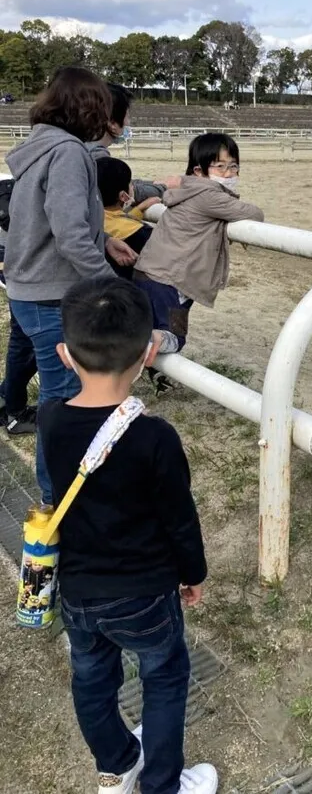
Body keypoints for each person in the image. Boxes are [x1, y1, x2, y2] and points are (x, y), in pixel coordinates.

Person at [39, 277, 217, 794]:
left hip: (77, 590)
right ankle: (161, 785)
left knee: (92, 679)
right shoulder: (155, 437)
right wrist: (193, 574)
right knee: (163, 677)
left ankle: (116, 765)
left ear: (64, 355)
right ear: (148, 353)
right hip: (143, 593)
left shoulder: (51, 419)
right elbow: (179, 517)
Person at [3, 66, 136, 505]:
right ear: (90, 109)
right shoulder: (68, 154)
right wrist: (111, 285)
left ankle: (57, 491)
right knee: (60, 401)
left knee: (56, 396)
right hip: (48, 293)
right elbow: (68, 233)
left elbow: (52, 223)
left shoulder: (38, 148)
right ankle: (55, 498)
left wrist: (106, 240)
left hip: (26, 286)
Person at [134, 133, 264, 354]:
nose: (229, 173)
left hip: (149, 273)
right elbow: (254, 213)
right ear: (199, 171)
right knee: (173, 338)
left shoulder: (186, 190)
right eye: (220, 167)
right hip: (172, 282)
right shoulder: (209, 195)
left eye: (233, 167)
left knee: (149, 329)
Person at [88, 83, 180, 204]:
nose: (128, 122)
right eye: (127, 117)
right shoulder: (96, 157)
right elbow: (127, 191)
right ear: (112, 123)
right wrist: (165, 187)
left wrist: (152, 183)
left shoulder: (85, 147)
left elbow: (123, 182)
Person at [0, 230, 38, 434]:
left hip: (25, 261)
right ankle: (15, 413)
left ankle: (8, 399)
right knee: (26, 342)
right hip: (30, 263)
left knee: (25, 341)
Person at [97, 156, 158, 279]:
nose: (132, 187)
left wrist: (139, 209)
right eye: (130, 183)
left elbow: (115, 220)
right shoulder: (142, 234)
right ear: (123, 196)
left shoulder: (92, 220)